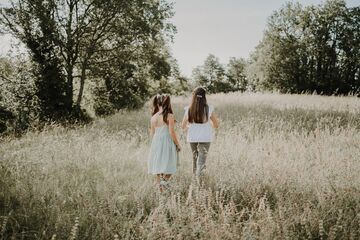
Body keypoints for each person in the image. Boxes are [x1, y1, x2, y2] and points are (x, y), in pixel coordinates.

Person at [181, 87, 219, 181]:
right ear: (204, 96)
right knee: (201, 161)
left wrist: (190, 127)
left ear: (193, 96)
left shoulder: (189, 109)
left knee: (195, 159)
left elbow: (183, 126)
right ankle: (200, 182)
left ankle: (195, 180)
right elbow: (216, 125)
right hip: (205, 137)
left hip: (192, 138)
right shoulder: (209, 108)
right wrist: (209, 124)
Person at [148, 93, 181, 192]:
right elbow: (171, 132)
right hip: (167, 141)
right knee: (171, 162)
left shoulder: (153, 117)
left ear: (157, 103)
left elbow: (152, 133)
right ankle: (164, 183)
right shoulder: (169, 116)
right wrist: (177, 144)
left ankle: (160, 187)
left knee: (158, 164)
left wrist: (153, 144)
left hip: (156, 141)